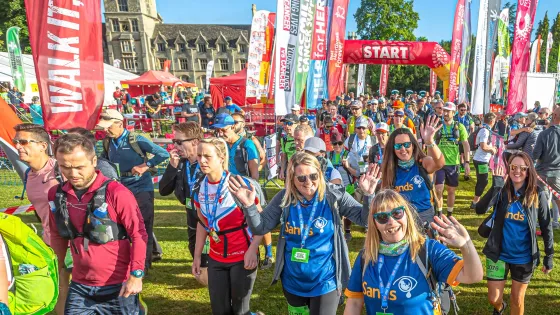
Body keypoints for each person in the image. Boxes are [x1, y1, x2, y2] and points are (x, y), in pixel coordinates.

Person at [228, 152, 382, 315]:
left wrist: (369, 195)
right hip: (292, 282)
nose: (308, 182)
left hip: (325, 281)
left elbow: (365, 220)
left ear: (320, 174)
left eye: (313, 176)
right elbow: (260, 227)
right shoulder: (285, 198)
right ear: (292, 179)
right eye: (301, 178)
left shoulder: (334, 196)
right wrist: (250, 205)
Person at [48, 133, 148, 314]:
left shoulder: (117, 193)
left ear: (94, 161)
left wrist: (136, 275)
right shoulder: (56, 195)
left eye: (80, 167)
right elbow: (57, 235)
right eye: (65, 167)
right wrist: (55, 271)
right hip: (80, 286)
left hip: (118, 286)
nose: (73, 173)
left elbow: (138, 234)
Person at [344, 190, 483, 315]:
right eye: (382, 217)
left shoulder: (428, 250)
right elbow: (354, 303)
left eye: (397, 213)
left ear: (407, 214)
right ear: (374, 223)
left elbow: (472, 276)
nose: (391, 222)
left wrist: (466, 245)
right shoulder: (366, 256)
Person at [191, 138, 263, 315]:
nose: (202, 160)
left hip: (242, 256)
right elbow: (203, 224)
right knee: (220, 311)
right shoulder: (199, 187)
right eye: (199, 155)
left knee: (240, 311)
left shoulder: (239, 184)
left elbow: (261, 223)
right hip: (216, 257)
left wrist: (253, 249)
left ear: (221, 157)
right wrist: (197, 256)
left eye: (207, 156)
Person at [475, 154, 554, 315]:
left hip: (524, 257)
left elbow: (546, 226)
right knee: (493, 298)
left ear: (528, 170)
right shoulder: (502, 190)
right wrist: (495, 187)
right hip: (498, 254)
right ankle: (500, 307)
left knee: (517, 300)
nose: (517, 171)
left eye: (522, 168)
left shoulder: (537, 194)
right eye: (513, 167)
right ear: (508, 168)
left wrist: (549, 255)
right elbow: (479, 209)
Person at [96, 109, 170, 270]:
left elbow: (163, 154)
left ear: (119, 123)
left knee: (143, 223)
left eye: (108, 126)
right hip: (120, 187)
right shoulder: (108, 141)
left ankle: (144, 265)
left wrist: (145, 166)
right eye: (104, 126)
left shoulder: (136, 139)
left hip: (141, 186)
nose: (105, 130)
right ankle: (144, 255)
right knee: (124, 223)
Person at [159, 122, 209, 285]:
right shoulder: (180, 162)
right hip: (191, 218)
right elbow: (163, 190)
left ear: (195, 141)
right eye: (174, 142)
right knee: (198, 265)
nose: (175, 146)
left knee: (207, 272)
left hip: (210, 220)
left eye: (179, 142)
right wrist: (172, 167)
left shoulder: (208, 161)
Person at [380, 116, 445, 224]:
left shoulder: (422, 163)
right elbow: (386, 197)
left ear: (413, 146)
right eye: (398, 146)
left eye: (407, 144)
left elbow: (440, 163)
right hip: (401, 218)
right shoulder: (390, 168)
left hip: (425, 217)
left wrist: (429, 142)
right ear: (393, 149)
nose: (403, 149)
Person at [434, 102, 470, 217]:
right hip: (439, 162)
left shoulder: (460, 127)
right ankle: (439, 213)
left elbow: (465, 144)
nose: (445, 113)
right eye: (444, 110)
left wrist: (467, 163)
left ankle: (449, 215)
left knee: (451, 190)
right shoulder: (438, 125)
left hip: (453, 164)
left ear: (453, 113)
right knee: (438, 189)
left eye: (447, 111)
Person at [533, 105, 560, 229]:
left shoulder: (544, 134)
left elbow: (535, 155)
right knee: (557, 198)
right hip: (556, 173)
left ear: (553, 116)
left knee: (541, 198)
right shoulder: (544, 134)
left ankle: (543, 222)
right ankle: (554, 221)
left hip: (542, 172)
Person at [213, 113, 260, 181]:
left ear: (232, 127)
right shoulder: (219, 145)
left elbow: (254, 175)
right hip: (222, 187)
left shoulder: (247, 144)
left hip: (242, 187)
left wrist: (250, 189)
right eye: (217, 131)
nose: (220, 134)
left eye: (223, 130)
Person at [471, 112, 498, 209]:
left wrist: (491, 147)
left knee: (481, 181)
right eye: (494, 120)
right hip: (481, 161)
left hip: (481, 160)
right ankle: (475, 203)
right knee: (483, 181)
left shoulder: (486, 130)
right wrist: (492, 149)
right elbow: (483, 146)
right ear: (492, 121)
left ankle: (475, 201)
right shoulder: (485, 131)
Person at [277, 114, 299, 180]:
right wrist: (282, 170)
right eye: (285, 123)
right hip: (289, 168)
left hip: (301, 168)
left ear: (297, 124)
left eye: (290, 123)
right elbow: (284, 156)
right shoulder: (284, 139)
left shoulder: (303, 138)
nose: (286, 126)